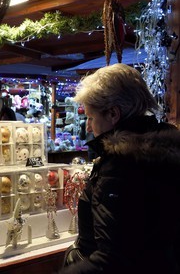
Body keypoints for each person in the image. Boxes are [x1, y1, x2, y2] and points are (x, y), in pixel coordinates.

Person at [60, 63, 180, 273]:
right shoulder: (164, 150)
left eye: (90, 117)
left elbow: (112, 258)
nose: (88, 127)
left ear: (113, 114)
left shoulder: (120, 166)